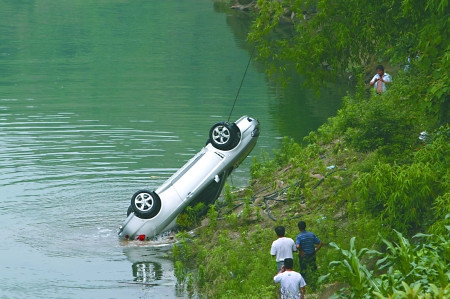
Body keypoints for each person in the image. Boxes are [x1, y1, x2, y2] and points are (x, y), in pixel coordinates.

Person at [296, 221, 322, 288]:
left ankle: (304, 284)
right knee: (313, 268)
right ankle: (316, 282)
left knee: (303, 270)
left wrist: (301, 251)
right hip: (312, 254)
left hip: (304, 256)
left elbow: (298, 246)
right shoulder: (311, 234)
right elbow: (320, 243)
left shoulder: (299, 236)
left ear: (299, 228)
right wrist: (315, 250)